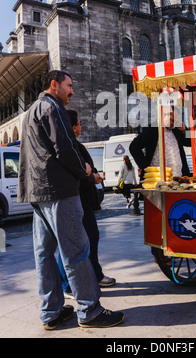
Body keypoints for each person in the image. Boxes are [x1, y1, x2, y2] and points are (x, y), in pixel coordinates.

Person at [17, 70, 124, 330]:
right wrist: (85, 169)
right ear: (54, 85)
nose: (72, 91)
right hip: (59, 192)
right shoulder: (52, 108)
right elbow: (65, 147)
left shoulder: (31, 110)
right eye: (69, 85)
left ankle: (50, 312)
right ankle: (90, 310)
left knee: (44, 254)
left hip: (38, 193)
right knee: (76, 251)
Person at [57, 109, 115, 299]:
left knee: (90, 238)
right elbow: (80, 173)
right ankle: (66, 284)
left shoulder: (75, 145)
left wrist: (93, 174)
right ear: (73, 127)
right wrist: (92, 178)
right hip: (75, 198)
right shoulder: (69, 146)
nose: (81, 126)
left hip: (83, 200)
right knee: (70, 243)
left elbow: (86, 169)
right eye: (80, 123)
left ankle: (94, 275)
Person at [129, 106, 191, 179]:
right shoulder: (152, 129)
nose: (174, 124)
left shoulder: (176, 130)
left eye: (176, 122)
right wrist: (145, 167)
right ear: (164, 115)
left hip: (178, 176)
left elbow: (190, 143)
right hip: (157, 178)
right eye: (172, 120)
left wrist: (185, 130)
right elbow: (134, 147)